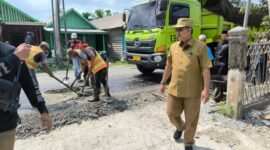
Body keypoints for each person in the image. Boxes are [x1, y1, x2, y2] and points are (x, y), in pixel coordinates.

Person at [160, 18, 212, 150]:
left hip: (193, 91)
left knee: (192, 120)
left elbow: (206, 68)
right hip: (174, 89)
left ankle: (188, 141)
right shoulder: (173, 46)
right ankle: (180, 127)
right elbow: (168, 66)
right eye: (176, 29)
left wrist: (206, 89)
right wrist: (163, 82)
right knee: (171, 114)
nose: (177, 32)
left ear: (189, 30)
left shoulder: (201, 46)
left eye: (180, 29)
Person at [0, 41, 52, 149]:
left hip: (5, 125)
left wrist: (43, 110)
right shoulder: (16, 54)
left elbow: (30, 85)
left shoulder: (11, 51)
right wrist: (14, 58)